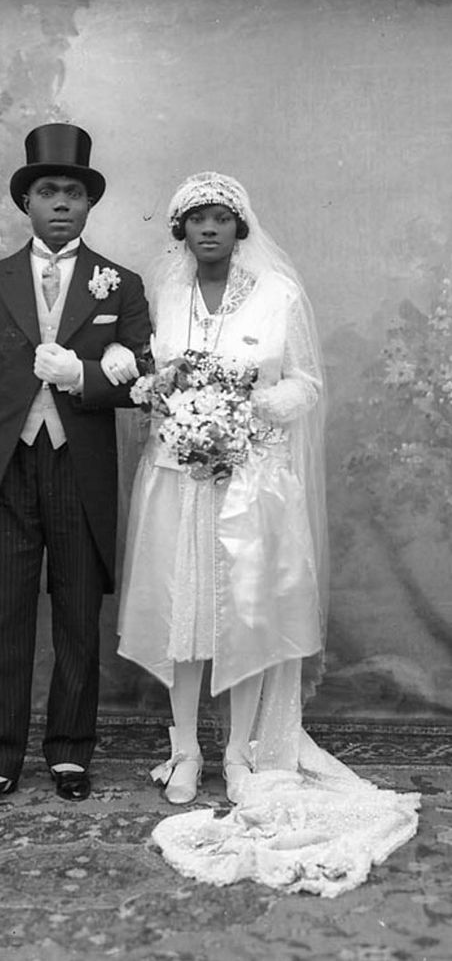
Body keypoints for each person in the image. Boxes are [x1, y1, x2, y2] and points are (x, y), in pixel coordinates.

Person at [105, 172, 420, 895]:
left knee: (242, 617)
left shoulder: (278, 295)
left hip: (251, 483)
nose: (208, 230)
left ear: (240, 229)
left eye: (221, 219)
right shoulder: (165, 296)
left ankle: (241, 755)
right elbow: (151, 376)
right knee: (184, 615)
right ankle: (185, 749)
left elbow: (305, 383)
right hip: (179, 478)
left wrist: (249, 415)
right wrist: (171, 404)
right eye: (195, 220)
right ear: (180, 231)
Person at [0, 123, 151, 815]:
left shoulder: (119, 283)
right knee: (2, 614)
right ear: (25, 202)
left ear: (89, 204)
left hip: (78, 469)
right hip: (5, 472)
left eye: (72, 191)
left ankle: (69, 749)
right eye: (47, 191)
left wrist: (85, 375)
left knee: (76, 616)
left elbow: (144, 380)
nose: (60, 202)